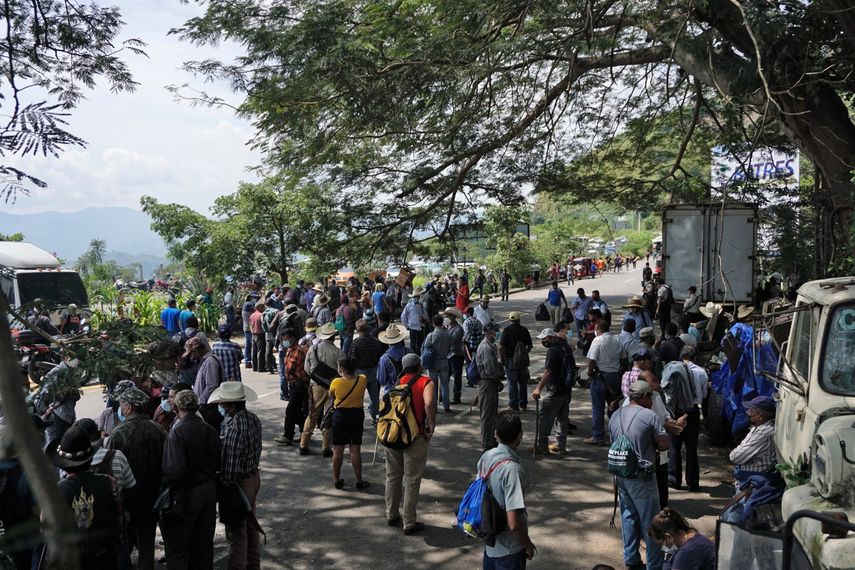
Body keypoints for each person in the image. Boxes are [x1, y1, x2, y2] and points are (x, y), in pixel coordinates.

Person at [610, 380, 670, 570]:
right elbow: (664, 444)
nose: (652, 401)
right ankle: (654, 565)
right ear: (643, 397)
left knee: (628, 516)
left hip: (621, 475)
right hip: (642, 477)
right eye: (650, 397)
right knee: (651, 522)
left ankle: (631, 560)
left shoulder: (615, 415)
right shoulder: (649, 416)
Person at [160, 390, 221, 570]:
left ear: (177, 408)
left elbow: (172, 471)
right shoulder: (209, 430)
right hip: (208, 491)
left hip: (186, 495)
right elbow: (219, 460)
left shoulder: (177, 433)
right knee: (203, 544)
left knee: (178, 547)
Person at [48, 424, 122, 569]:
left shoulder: (56, 491)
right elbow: (119, 520)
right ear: (90, 458)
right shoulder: (110, 483)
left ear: (63, 465)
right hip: (105, 558)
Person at [108, 387, 166, 570]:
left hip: (127, 501)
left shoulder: (118, 434)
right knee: (146, 548)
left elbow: (111, 470)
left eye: (123, 404)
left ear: (130, 407)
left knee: (123, 547)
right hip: (152, 498)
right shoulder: (159, 430)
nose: (121, 408)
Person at [210, 382, 263, 570]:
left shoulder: (235, 428)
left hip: (239, 483)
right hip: (253, 476)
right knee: (251, 526)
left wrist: (223, 485)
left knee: (237, 533)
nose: (221, 407)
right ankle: (253, 565)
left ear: (232, 406)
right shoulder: (253, 419)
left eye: (223, 404)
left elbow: (230, 469)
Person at [384, 353, 436, 535]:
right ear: (419, 366)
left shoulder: (397, 382)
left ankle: (391, 514)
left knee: (393, 476)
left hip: (393, 435)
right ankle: (409, 521)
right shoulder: (425, 382)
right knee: (412, 480)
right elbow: (429, 404)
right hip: (415, 436)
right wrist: (431, 422)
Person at [478, 410, 536, 568]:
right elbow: (514, 523)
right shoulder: (512, 470)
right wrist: (528, 545)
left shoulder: (486, 457)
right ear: (520, 435)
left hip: (490, 546)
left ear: (496, 434)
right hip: (510, 552)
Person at [668, 345, 708, 492]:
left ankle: (674, 480)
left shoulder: (673, 369)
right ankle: (693, 481)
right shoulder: (701, 372)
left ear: (681, 356)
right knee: (691, 448)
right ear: (695, 357)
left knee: (674, 447)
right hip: (692, 412)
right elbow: (703, 396)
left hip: (676, 411)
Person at [300, 323, 344, 456]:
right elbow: (342, 373)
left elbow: (307, 369)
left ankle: (304, 444)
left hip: (316, 386)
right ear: (333, 336)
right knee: (328, 415)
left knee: (312, 414)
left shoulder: (312, 349)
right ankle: (326, 447)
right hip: (332, 386)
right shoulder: (338, 353)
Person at [328, 356, 369, 489]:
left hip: (340, 415)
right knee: (355, 449)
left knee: (338, 449)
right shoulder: (362, 379)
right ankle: (359, 480)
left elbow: (332, 396)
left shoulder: (336, 382)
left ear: (343, 369)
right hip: (356, 415)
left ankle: (336, 479)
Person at [531, 328, 572, 455]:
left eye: (544, 339)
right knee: (562, 418)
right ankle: (561, 445)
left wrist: (539, 387)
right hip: (566, 388)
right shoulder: (564, 346)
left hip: (555, 389)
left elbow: (548, 371)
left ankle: (542, 446)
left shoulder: (553, 350)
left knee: (544, 416)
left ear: (550, 337)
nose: (543, 342)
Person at [585, 321, 626, 445]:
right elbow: (623, 358)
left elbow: (592, 360)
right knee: (613, 406)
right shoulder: (617, 340)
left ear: (597, 328)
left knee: (598, 407)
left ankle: (597, 436)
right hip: (615, 376)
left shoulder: (597, 341)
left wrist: (590, 373)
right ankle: (615, 434)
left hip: (600, 376)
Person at [729, 396, 778, 485]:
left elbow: (736, 457)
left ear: (760, 415)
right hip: (747, 474)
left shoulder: (763, 432)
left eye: (751, 410)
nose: (747, 412)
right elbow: (741, 447)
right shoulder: (757, 427)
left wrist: (737, 452)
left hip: (756, 476)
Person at [648, 508, 716, 570]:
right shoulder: (692, 535)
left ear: (668, 537)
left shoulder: (685, 553)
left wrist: (667, 559)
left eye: (660, 544)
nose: (662, 548)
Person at [275, 328, 310, 446]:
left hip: (300, 384)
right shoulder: (289, 349)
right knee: (296, 410)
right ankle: (304, 432)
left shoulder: (299, 351)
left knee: (290, 410)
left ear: (292, 338)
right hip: (293, 384)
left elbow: (300, 370)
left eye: (286, 339)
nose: (284, 341)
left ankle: (288, 435)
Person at [348, 319, 386, 424]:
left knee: (358, 397)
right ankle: (375, 417)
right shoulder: (375, 341)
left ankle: (357, 418)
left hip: (360, 373)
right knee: (374, 397)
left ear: (357, 329)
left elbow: (352, 359)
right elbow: (380, 356)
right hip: (374, 371)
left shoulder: (356, 343)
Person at [186, 336, 225, 432]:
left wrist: (200, 402)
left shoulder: (210, 361)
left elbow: (211, 386)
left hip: (209, 408)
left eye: (192, 353)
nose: (192, 357)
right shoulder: (205, 361)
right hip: (205, 406)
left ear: (197, 350)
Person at [475, 323, 503, 451]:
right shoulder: (485, 347)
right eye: (495, 330)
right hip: (488, 383)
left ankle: (490, 439)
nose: (497, 333)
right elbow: (491, 369)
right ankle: (487, 442)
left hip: (489, 382)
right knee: (487, 415)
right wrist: (499, 382)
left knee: (491, 414)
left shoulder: (491, 345)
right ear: (488, 331)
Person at [499, 311, 533, 411]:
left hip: (510, 360)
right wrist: (525, 353)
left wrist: (502, 359)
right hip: (522, 361)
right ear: (519, 320)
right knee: (523, 383)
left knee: (512, 383)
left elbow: (501, 347)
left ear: (510, 320)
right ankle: (523, 404)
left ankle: (514, 404)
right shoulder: (524, 330)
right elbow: (530, 345)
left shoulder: (507, 330)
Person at [424, 314, 452, 412]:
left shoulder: (431, 335)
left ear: (433, 324)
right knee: (445, 385)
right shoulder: (448, 334)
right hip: (444, 361)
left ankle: (434, 407)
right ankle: (446, 405)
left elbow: (425, 348)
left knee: (433, 386)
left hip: (433, 362)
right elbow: (450, 348)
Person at [376, 323, 408, 394]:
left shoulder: (384, 359)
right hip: (408, 389)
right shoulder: (409, 351)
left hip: (391, 392)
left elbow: (382, 380)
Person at [444, 308, 466, 405]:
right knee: (445, 376)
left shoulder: (458, 329)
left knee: (456, 377)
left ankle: (456, 396)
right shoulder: (446, 327)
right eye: (447, 316)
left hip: (456, 355)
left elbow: (452, 341)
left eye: (449, 316)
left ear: (453, 317)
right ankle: (444, 396)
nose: (447, 318)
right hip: (447, 355)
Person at [463, 306, 485, 388]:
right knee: (476, 362)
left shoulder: (467, 322)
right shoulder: (479, 322)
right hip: (478, 345)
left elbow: (467, 334)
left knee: (469, 363)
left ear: (468, 313)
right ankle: (476, 378)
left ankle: (470, 380)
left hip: (469, 346)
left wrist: (464, 341)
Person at [400, 288, 426, 353]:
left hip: (420, 327)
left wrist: (423, 318)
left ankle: (418, 355)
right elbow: (403, 316)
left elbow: (423, 314)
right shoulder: (409, 305)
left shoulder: (420, 305)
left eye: (416, 297)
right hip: (412, 327)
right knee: (413, 344)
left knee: (420, 343)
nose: (415, 298)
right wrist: (406, 326)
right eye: (414, 297)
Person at [249, 301, 267, 373]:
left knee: (254, 351)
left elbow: (250, 325)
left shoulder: (252, 315)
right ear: (259, 307)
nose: (264, 308)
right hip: (260, 335)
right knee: (260, 351)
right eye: (263, 307)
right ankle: (260, 367)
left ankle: (255, 367)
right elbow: (263, 325)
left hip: (253, 334)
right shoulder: (261, 315)